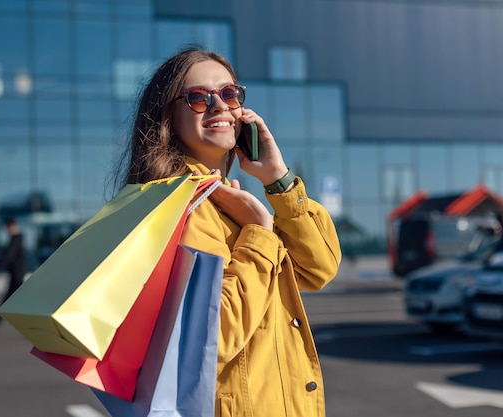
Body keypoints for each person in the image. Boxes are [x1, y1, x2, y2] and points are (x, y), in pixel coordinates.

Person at [116, 46, 341, 417]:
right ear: (168, 117)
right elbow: (213, 336)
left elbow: (319, 267)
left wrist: (277, 180)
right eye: (198, 98)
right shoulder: (184, 207)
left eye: (229, 93)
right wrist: (259, 232)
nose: (219, 105)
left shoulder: (230, 202)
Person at [0, 216, 26, 332]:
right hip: (16, 275)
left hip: (17, 276)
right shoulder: (16, 239)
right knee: (13, 303)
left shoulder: (16, 239)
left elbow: (8, 256)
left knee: (7, 302)